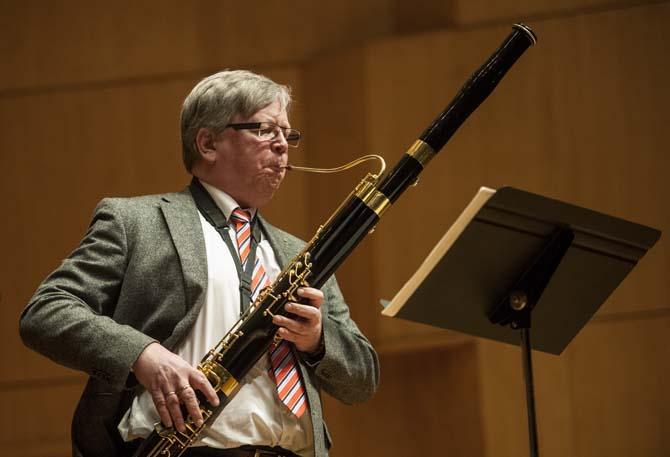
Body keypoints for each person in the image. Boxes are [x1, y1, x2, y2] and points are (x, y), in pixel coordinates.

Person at [19, 70, 379, 457]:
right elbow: (46, 312)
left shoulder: (302, 253)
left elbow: (362, 379)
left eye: (287, 134)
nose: (282, 146)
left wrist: (318, 339)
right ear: (207, 143)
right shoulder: (136, 223)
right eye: (265, 130)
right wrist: (144, 355)